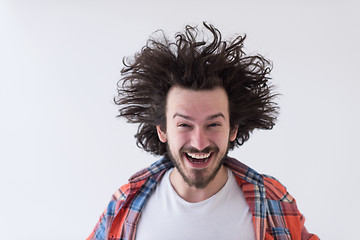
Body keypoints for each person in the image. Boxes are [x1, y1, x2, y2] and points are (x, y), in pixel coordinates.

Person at [87, 23, 319, 240]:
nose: (199, 143)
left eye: (213, 124)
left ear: (233, 129)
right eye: (184, 125)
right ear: (162, 130)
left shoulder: (272, 200)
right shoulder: (125, 202)